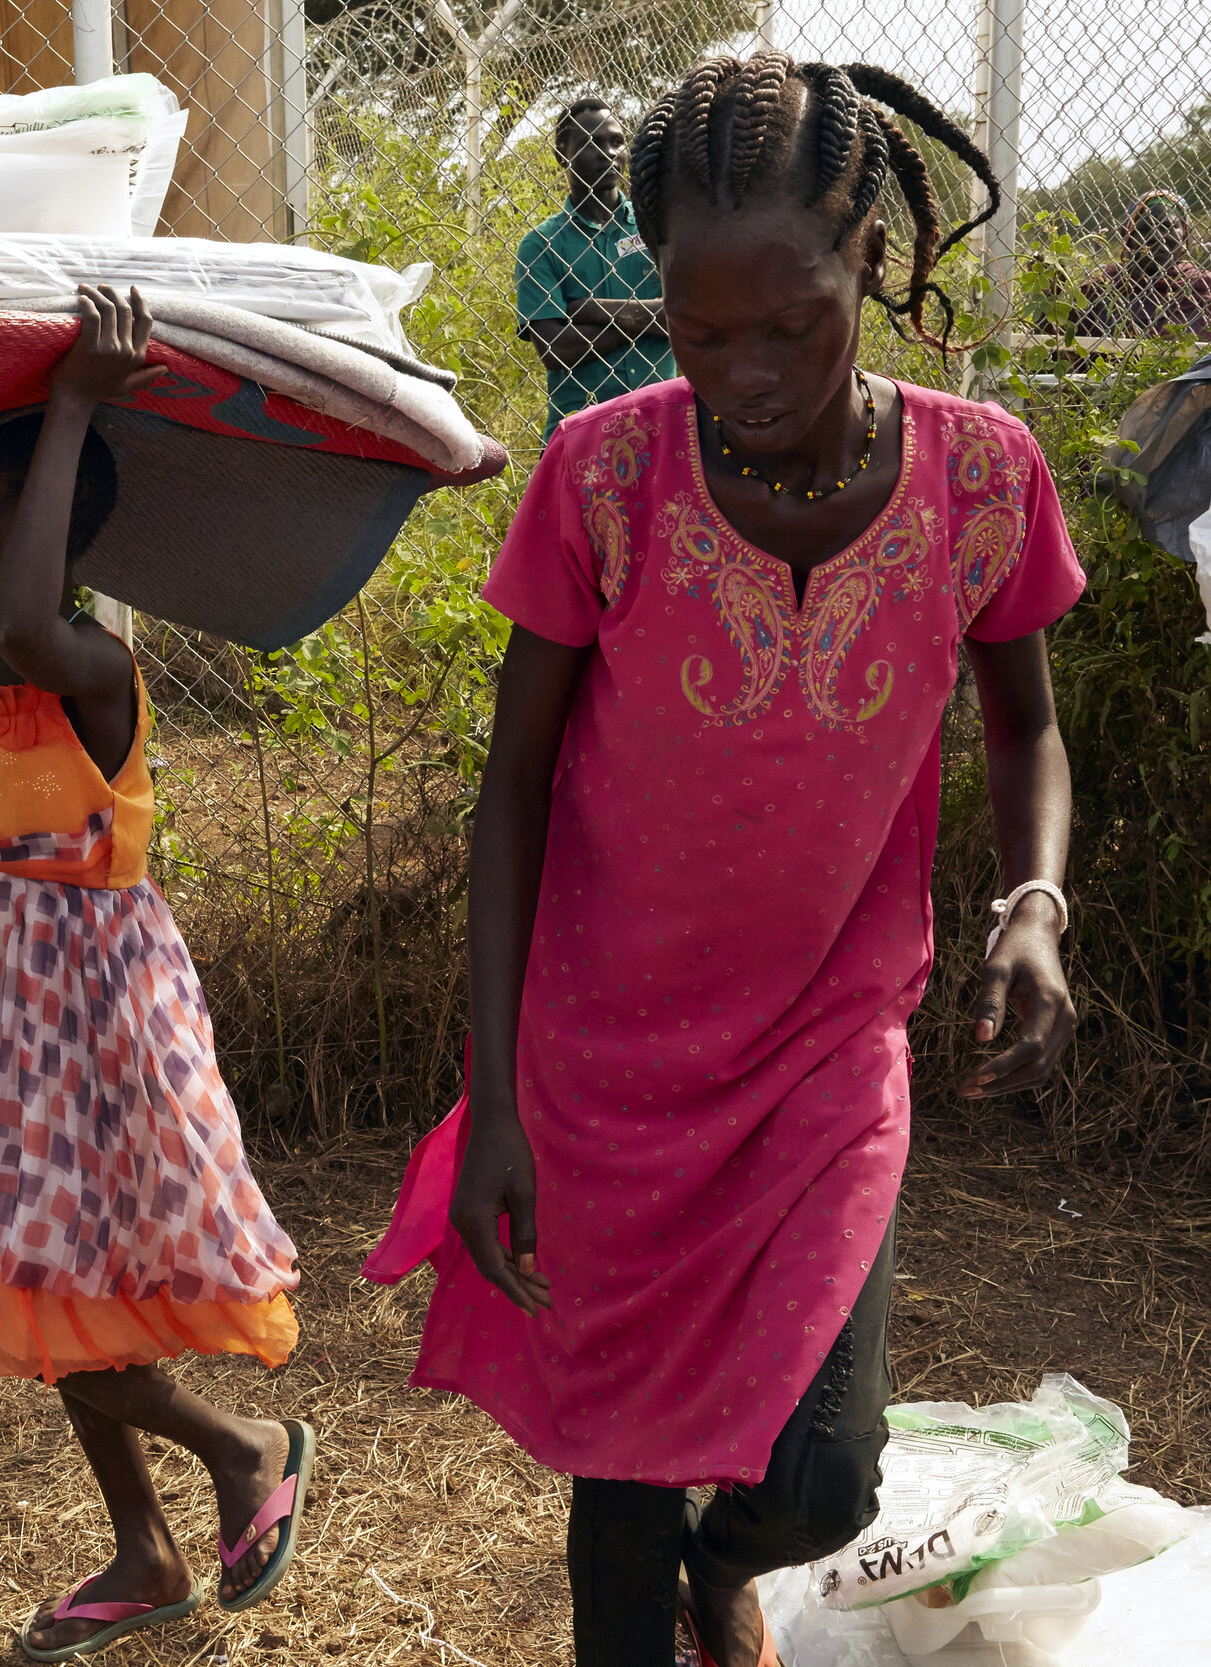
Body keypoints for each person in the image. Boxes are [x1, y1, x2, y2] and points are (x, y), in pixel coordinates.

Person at [363, 54, 1084, 1667]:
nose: (746, 372)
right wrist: (500, 1092)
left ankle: (729, 1567)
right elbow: (518, 785)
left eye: (793, 325)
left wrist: (1032, 906)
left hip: (824, 1041)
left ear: (869, 275)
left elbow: (1026, 727)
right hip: (599, 1063)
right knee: (614, 1482)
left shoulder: (981, 478)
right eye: (701, 334)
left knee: (826, 1472)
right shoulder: (604, 474)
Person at [0, 285, 312, 1663]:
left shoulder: (86, 664)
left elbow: (20, 619)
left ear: (48, 531)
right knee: (41, 1270)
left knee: (78, 1272)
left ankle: (244, 1443)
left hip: (101, 1014)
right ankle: (143, 1542)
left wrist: (71, 405)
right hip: (11, 1008)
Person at [517, 96, 678, 440]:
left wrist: (590, 310)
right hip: (582, 429)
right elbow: (556, 350)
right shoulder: (542, 245)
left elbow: (685, 315)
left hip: (665, 420)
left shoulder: (658, 226)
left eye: (617, 142)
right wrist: (649, 317)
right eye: (592, 143)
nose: (608, 153)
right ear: (562, 154)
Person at [1067, 190, 1211, 343]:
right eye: (1144, 229)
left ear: (1184, 235)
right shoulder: (1100, 290)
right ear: (1129, 238)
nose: (1156, 237)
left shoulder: (1203, 287)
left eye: (1167, 226)